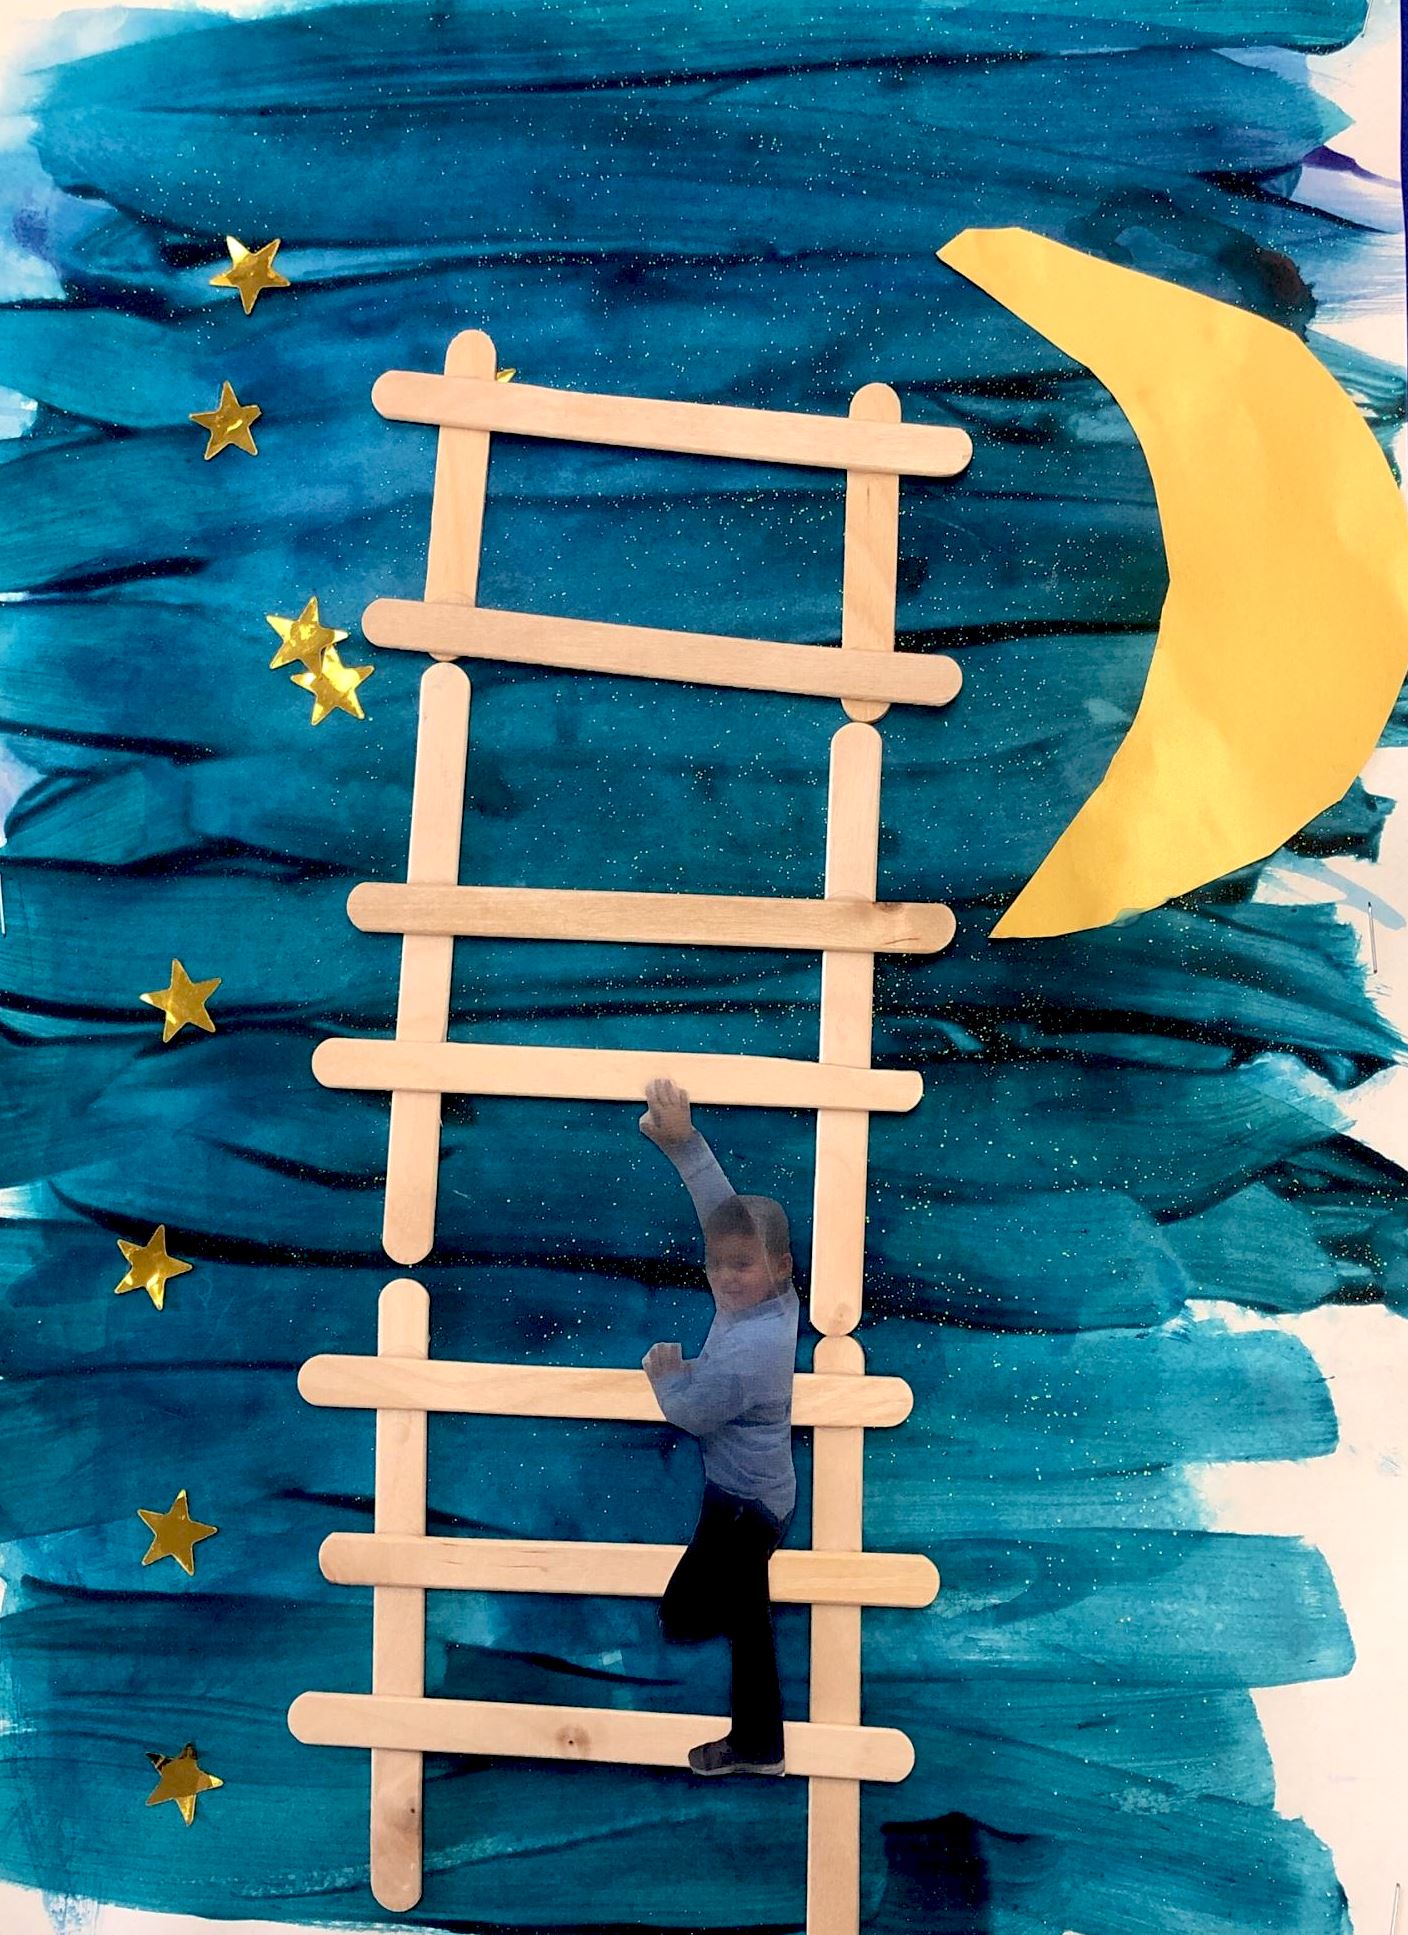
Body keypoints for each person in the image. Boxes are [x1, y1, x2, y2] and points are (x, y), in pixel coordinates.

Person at [638, 1075, 800, 1778]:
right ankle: (761, 1746)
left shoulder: (751, 1346)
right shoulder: (771, 1303)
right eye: (717, 1264)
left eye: (743, 1266)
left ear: (780, 1268)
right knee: (746, 1615)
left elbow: (693, 1412)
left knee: (685, 1617)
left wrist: (666, 1374)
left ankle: (759, 1743)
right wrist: (685, 1145)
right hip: (743, 1494)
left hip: (747, 1507)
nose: (727, 1278)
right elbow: (723, 1214)